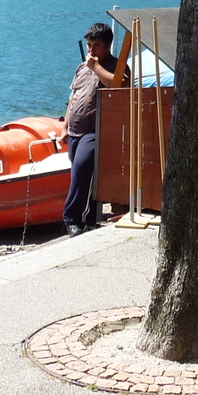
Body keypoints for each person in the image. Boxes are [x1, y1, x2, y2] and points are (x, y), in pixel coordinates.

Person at [62, 21, 127, 236]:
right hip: (74, 130)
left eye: (96, 45)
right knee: (82, 174)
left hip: (96, 129)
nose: (91, 50)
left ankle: (71, 218)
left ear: (108, 45)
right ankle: (88, 220)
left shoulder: (116, 66)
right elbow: (73, 97)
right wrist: (64, 126)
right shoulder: (82, 67)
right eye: (89, 45)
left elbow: (117, 85)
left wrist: (96, 67)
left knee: (81, 170)